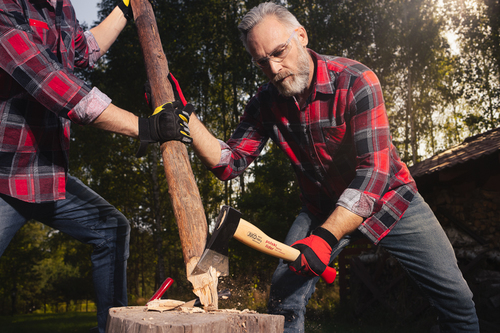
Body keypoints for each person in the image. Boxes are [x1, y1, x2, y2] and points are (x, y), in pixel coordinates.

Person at [162, 2, 479, 332]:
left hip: (391, 200)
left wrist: (324, 238)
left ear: (300, 35)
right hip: (321, 208)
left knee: (456, 300)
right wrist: (188, 120)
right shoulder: (265, 101)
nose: (273, 68)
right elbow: (230, 163)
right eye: (262, 62)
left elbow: (373, 172)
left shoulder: (356, 80)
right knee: (284, 301)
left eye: (280, 51)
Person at [0, 1, 192, 332]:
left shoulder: (61, 8)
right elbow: (51, 82)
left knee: (112, 230)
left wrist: (124, 7)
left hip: (43, 173)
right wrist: (145, 127)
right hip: (3, 173)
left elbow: (82, 50)